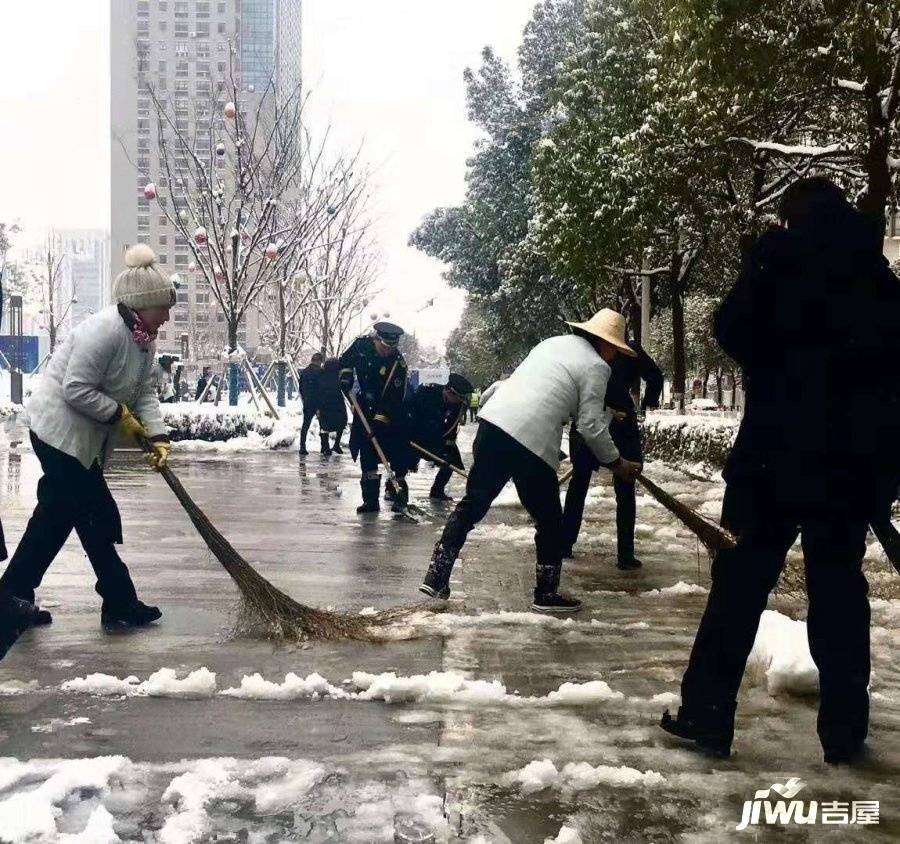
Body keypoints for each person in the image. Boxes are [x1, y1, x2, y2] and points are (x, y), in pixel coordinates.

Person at [661, 178, 900, 764]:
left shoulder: (778, 266)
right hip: (849, 470)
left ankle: (708, 716)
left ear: (791, 219)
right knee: (840, 591)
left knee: (738, 589)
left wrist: (759, 261)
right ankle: (845, 734)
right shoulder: (880, 280)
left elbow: (731, 331)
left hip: (772, 460)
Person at [419, 309, 643, 612]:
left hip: (494, 424)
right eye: (615, 350)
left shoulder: (550, 344)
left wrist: (604, 415)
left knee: (474, 502)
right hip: (531, 441)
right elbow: (589, 426)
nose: (614, 357)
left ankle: (437, 574)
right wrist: (618, 463)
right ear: (604, 343)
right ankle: (546, 593)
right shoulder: (596, 366)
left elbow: (552, 395)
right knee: (549, 518)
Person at [0, 244, 175, 628]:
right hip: (57, 434)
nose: (167, 315)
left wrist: (159, 436)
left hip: (83, 441)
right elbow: (75, 388)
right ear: (143, 304)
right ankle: (118, 601)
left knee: (59, 516)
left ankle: (12, 597)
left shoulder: (143, 340)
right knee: (93, 514)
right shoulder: (105, 331)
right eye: (163, 307)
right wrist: (119, 415)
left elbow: (144, 391)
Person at [562, 339, 663, 568]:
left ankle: (565, 544)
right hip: (622, 421)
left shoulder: (586, 348)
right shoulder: (632, 350)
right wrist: (647, 404)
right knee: (625, 488)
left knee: (579, 484)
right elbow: (655, 376)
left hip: (586, 418)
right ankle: (625, 555)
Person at [339, 322, 410, 513]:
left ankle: (398, 497)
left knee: (394, 454)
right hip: (363, 407)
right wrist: (345, 377)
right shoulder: (361, 347)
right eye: (385, 346)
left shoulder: (398, 364)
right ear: (376, 339)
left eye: (392, 347)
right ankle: (371, 501)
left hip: (388, 414)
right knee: (367, 455)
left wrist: (380, 421)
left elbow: (395, 398)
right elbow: (344, 361)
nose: (388, 351)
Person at [405, 373, 473, 501]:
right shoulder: (425, 393)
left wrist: (448, 450)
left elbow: (451, 429)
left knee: (451, 461)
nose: (460, 401)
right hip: (414, 436)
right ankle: (392, 488)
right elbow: (410, 415)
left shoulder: (457, 405)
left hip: (437, 437)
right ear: (449, 391)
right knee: (403, 461)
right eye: (459, 398)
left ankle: (437, 491)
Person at [317, 357, 348, 456]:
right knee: (329, 423)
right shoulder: (324, 375)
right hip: (329, 401)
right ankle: (326, 446)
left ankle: (332, 445)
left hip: (331, 401)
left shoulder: (325, 375)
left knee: (332, 423)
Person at [298, 352, 324, 456]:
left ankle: (302, 447)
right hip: (318, 402)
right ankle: (324, 447)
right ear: (319, 361)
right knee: (323, 425)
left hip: (308, 402)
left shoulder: (304, 372)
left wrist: (305, 398)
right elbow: (322, 388)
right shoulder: (321, 372)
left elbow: (301, 388)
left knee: (305, 425)